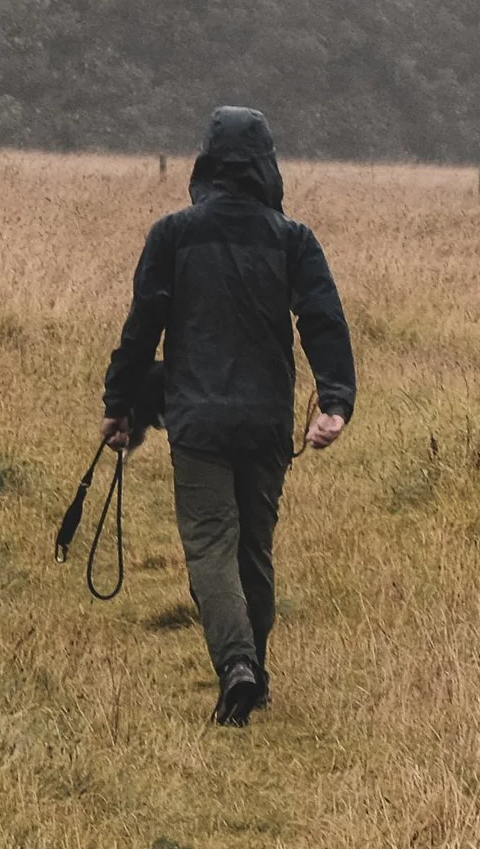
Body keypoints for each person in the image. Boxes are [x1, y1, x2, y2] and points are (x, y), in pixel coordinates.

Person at [101, 104, 355, 723]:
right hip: (267, 422)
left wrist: (119, 404)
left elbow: (143, 326)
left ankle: (236, 665)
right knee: (254, 551)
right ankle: (254, 678)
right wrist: (335, 401)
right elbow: (322, 319)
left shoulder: (173, 235)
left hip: (198, 423)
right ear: (268, 165)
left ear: (207, 164)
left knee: (211, 545)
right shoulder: (293, 239)